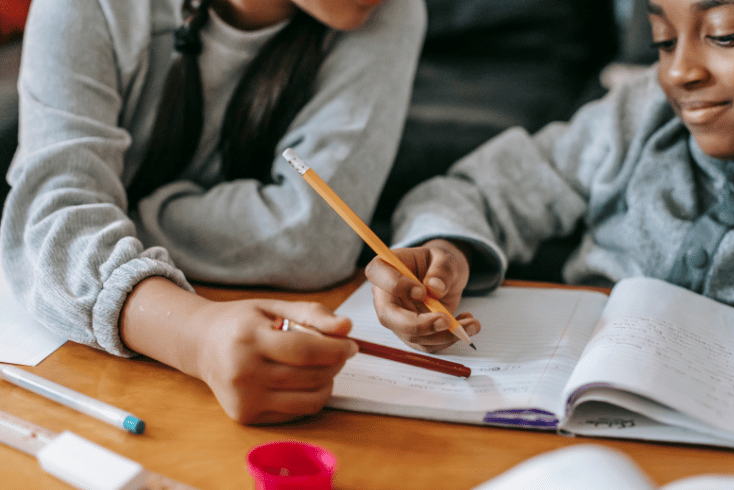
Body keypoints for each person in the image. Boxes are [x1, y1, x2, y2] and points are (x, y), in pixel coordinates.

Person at [1, 0, 425, 424]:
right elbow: (50, 224)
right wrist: (195, 333)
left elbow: (314, 236)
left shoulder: (390, 11)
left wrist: (115, 216)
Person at [365, 0, 734, 353]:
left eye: (725, 34)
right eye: (663, 39)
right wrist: (448, 250)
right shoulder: (638, 115)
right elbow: (475, 191)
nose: (679, 71)